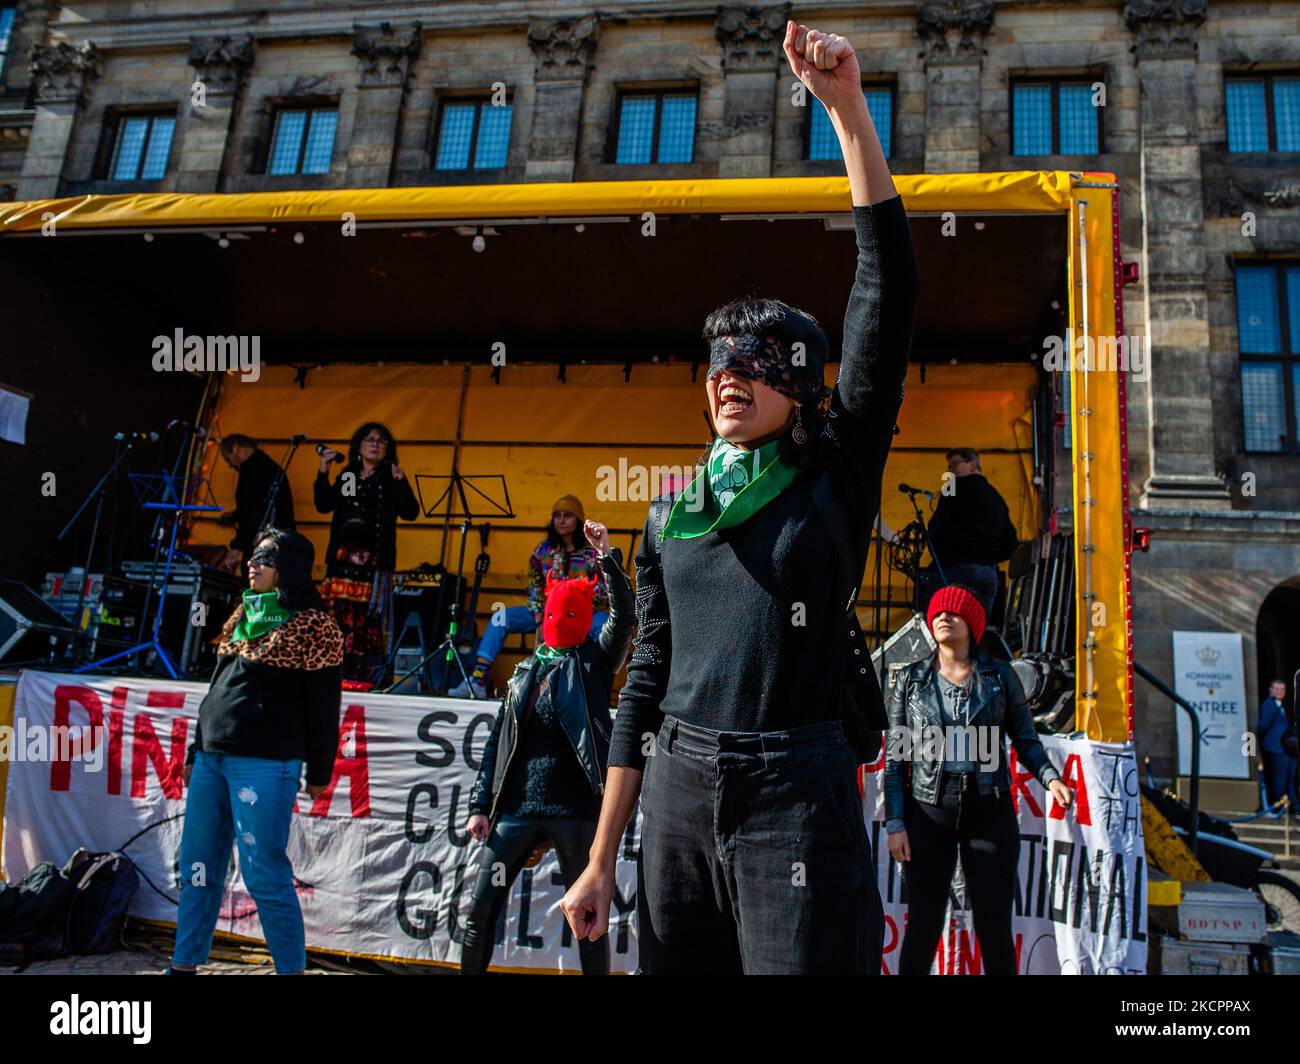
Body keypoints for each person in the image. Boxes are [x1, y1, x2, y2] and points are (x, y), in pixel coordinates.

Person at [559, 21, 919, 974]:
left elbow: (887, 291)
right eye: (720, 362)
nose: (731, 377)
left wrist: (846, 112)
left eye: (758, 364)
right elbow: (641, 683)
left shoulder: (832, 469)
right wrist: (601, 860)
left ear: (799, 386)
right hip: (676, 790)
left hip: (797, 794)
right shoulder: (671, 512)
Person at [459, 519, 633, 974]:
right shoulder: (524, 673)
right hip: (515, 808)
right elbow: (498, 741)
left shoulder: (593, 663)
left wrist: (605, 556)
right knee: (479, 914)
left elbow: (625, 616)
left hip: (573, 811)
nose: (558, 621)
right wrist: (481, 806)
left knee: (587, 921)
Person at [169, 527, 343, 975]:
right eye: (253, 557)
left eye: (265, 558)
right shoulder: (243, 612)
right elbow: (216, 689)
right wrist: (195, 750)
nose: (253, 565)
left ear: (289, 569)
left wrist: (320, 769)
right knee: (199, 867)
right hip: (213, 757)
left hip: (265, 763)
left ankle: (290, 971)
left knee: (264, 873)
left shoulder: (315, 624)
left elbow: (324, 706)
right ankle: (184, 965)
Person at [884, 584, 1073, 975]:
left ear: (972, 625)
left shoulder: (1000, 677)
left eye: (953, 613)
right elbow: (896, 760)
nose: (942, 618)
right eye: (937, 613)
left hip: (988, 809)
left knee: (994, 926)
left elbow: (1026, 740)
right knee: (923, 925)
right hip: (928, 811)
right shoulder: (910, 680)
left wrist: (1050, 778)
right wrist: (897, 823)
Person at [449, 494, 610, 699]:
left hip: (584, 616)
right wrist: (540, 616)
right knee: (500, 618)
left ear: (578, 520)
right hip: (544, 613)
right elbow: (534, 586)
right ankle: (478, 679)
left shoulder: (592, 553)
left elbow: (603, 591)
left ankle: (596, 686)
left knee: (605, 626)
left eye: (567, 516)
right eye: (557, 515)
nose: (561, 520)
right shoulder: (542, 551)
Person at [314, 422, 419, 682]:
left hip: (373, 563)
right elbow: (324, 504)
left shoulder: (388, 477)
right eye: (370, 439)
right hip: (342, 562)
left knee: (367, 621)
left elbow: (411, 512)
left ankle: (364, 676)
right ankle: (332, 672)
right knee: (338, 617)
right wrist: (323, 470)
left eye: (381, 441)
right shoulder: (348, 474)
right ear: (358, 446)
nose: (375, 444)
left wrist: (401, 481)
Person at [922, 447, 1018, 619]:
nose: (949, 470)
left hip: (956, 569)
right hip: (989, 574)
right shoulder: (997, 498)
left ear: (972, 464)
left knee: (939, 620)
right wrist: (988, 560)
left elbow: (935, 531)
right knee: (979, 628)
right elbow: (1011, 543)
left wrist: (944, 559)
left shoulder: (952, 490)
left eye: (954, 465)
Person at [215, 434, 295, 567]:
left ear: (237, 449)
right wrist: (235, 516)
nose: (230, 465)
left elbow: (252, 512)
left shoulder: (251, 470)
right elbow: (260, 505)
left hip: (263, 545)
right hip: (281, 542)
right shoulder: (269, 466)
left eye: (228, 459)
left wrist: (236, 548)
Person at [1259, 678, 1298, 815]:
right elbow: (1262, 727)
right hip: (1276, 748)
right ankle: (1278, 806)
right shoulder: (1269, 705)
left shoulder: (1281, 705)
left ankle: (1294, 806)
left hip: (1288, 749)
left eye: (1282, 689)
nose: (1280, 692)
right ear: (1271, 690)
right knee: (1280, 778)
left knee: (1290, 777)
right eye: (1277, 689)